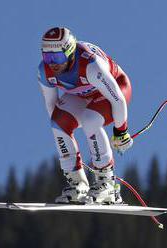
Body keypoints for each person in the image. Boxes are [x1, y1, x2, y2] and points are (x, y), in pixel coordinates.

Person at [37, 27, 133, 204]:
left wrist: (121, 131)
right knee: (57, 123)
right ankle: (78, 184)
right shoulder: (45, 71)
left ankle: (107, 184)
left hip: (114, 91)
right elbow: (52, 107)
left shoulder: (90, 66)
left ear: (70, 52)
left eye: (57, 57)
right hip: (82, 94)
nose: (53, 64)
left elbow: (118, 99)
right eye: (47, 57)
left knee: (90, 120)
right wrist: (65, 135)